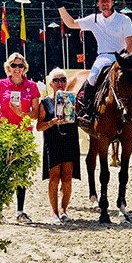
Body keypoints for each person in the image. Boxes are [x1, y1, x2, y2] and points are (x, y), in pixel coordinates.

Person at [53, 0, 132, 124]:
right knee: (91, 78)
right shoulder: (94, 19)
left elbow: (130, 43)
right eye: (101, 0)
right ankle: (87, 111)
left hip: (122, 57)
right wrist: (60, 6)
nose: (104, 3)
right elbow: (71, 23)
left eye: (107, 0)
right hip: (104, 57)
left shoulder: (124, 19)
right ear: (97, 3)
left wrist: (125, 57)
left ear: (112, 1)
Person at [0, 52, 40, 224]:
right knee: (2, 173)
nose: (17, 69)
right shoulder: (0, 85)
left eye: (20, 65)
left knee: (21, 173)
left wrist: (21, 113)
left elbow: (35, 115)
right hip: (4, 133)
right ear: (8, 68)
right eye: (14, 65)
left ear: (24, 68)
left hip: (23, 133)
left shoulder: (32, 86)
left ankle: (20, 211)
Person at [36, 68, 81, 223]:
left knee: (67, 177)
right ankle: (54, 212)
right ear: (50, 83)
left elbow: (80, 120)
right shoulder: (45, 102)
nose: (60, 83)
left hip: (69, 139)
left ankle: (64, 211)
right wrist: (51, 122)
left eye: (63, 80)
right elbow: (39, 126)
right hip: (53, 141)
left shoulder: (73, 99)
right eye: (56, 80)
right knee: (54, 177)